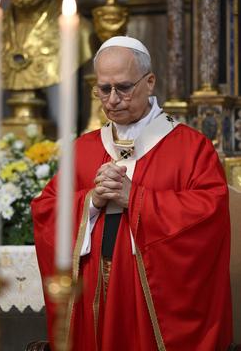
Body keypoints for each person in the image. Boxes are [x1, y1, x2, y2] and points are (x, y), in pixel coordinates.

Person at [31, 36, 233, 351]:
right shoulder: (83, 149)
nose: (112, 99)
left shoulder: (191, 148)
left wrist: (136, 199)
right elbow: (46, 209)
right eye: (103, 89)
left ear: (149, 82)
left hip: (152, 291)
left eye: (123, 87)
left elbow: (210, 212)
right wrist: (92, 201)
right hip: (94, 284)